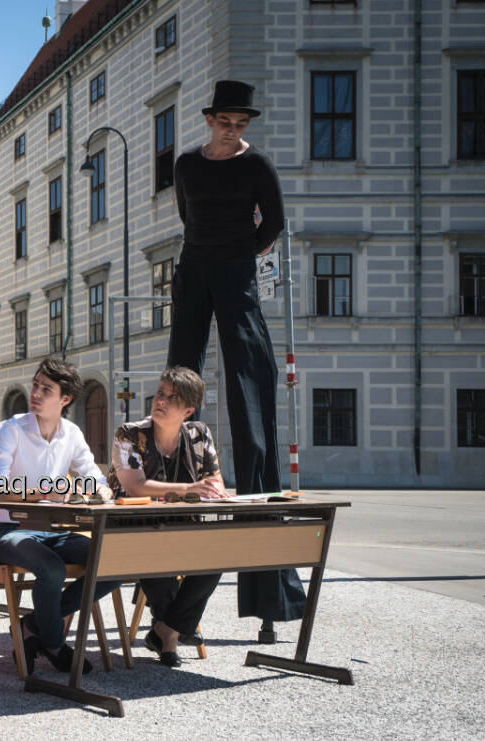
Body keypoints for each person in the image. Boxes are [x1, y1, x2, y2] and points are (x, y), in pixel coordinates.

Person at [169, 79, 306, 642]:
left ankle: (270, 598)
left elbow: (273, 223)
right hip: (193, 269)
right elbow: (186, 216)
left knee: (251, 408)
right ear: (210, 119)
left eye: (241, 122)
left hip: (237, 273)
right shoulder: (186, 165)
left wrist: (241, 254)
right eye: (226, 120)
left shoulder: (260, 167)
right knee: (179, 379)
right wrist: (210, 255)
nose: (234, 129)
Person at [0, 359, 117, 676]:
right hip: (5, 529)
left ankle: (33, 626)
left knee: (111, 563)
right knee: (51, 567)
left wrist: (100, 492)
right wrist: (45, 490)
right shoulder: (9, 430)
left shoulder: (71, 434)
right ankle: (55, 644)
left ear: (65, 399)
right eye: (35, 385)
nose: (36, 393)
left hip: (51, 530)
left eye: (47, 389)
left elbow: (94, 477)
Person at [106, 367, 227, 667]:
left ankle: (165, 629)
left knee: (219, 556)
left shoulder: (199, 435)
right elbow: (134, 486)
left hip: (180, 531)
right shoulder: (130, 434)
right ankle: (171, 635)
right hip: (128, 531)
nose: (161, 400)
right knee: (157, 551)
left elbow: (215, 484)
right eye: (160, 393)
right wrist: (190, 488)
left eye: (172, 398)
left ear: (188, 410)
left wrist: (210, 491)